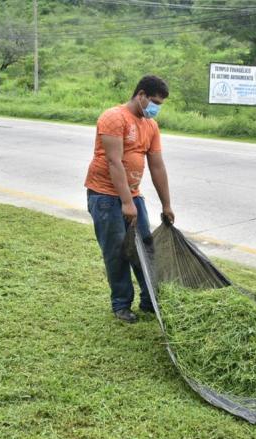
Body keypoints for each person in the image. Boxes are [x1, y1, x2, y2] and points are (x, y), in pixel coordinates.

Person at [85, 75, 174, 323]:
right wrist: (126, 202)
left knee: (145, 248)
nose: (157, 107)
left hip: (133, 195)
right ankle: (121, 305)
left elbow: (157, 166)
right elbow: (114, 162)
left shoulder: (150, 126)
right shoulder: (114, 118)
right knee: (116, 252)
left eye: (161, 104)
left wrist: (167, 205)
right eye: (155, 101)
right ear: (141, 94)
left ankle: (149, 302)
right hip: (105, 196)